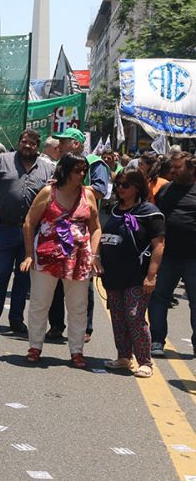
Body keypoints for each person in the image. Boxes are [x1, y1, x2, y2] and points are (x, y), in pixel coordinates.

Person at [20, 153, 101, 368]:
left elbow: (96, 228)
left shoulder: (88, 195)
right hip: (47, 257)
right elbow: (29, 223)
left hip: (78, 259)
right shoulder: (48, 192)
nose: (82, 174)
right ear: (65, 170)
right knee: (40, 303)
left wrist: (94, 255)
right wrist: (29, 254)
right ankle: (35, 346)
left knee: (78, 306)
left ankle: (76, 351)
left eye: (84, 170)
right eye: (77, 170)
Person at [0, 129, 54, 334]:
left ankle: (16, 320)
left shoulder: (48, 169)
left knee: (23, 279)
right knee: (0, 274)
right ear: (19, 142)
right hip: (4, 229)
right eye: (24, 141)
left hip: (32, 233)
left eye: (31, 143)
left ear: (37, 146)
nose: (27, 145)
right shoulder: (1, 161)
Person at [99, 168, 164, 378]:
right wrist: (97, 259)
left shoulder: (150, 212)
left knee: (135, 316)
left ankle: (145, 361)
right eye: (117, 184)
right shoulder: (112, 209)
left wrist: (151, 276)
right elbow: (101, 234)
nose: (120, 188)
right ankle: (124, 357)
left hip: (137, 275)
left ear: (137, 188)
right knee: (118, 317)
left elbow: (159, 246)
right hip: (113, 274)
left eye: (125, 185)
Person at [47, 127, 106, 342]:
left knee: (83, 284)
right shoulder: (61, 165)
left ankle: (85, 329)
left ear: (76, 144)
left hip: (83, 231)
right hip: (58, 233)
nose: (59, 145)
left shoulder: (95, 163)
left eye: (63, 142)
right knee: (55, 281)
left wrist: (73, 186)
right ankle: (55, 325)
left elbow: (100, 190)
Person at [150, 152, 196, 358]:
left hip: (193, 259)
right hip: (167, 256)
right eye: (172, 168)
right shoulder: (166, 190)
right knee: (159, 298)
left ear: (191, 169)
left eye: (178, 168)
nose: (173, 171)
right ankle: (157, 340)